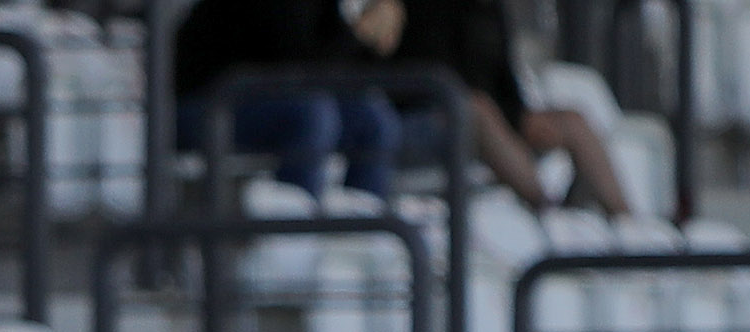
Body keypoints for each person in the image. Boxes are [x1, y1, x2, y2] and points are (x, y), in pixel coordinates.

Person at [391, 0, 635, 215]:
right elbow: (435, 74)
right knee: (479, 110)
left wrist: (520, 120)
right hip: (422, 113)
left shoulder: (489, 10)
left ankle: (625, 221)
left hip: (488, 113)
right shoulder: (428, 9)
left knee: (573, 122)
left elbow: (504, 81)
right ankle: (544, 210)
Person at [173, 0, 405, 200]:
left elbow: (341, 69)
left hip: (266, 101)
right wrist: (360, 32)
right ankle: (293, 232)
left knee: (372, 118)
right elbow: (297, 61)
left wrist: (374, 39)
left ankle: (363, 231)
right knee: (312, 113)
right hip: (202, 107)